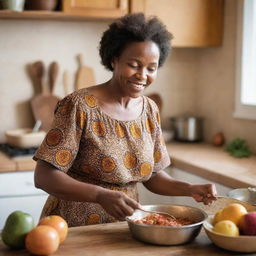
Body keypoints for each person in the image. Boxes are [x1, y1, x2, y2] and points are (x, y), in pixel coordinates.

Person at [34, 13, 217, 227]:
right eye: (134, 64)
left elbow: (153, 176)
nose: (142, 75)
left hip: (125, 226)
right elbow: (44, 176)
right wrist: (99, 195)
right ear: (114, 59)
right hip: (73, 225)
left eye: (151, 68)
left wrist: (188, 188)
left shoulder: (149, 109)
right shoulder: (79, 105)